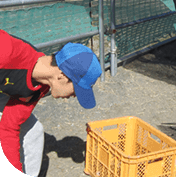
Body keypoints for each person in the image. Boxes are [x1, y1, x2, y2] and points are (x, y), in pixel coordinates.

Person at [0, 30, 102, 176]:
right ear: (62, 75)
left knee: (33, 133)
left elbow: (9, 127)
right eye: (76, 90)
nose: (74, 96)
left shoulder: (40, 87)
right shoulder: (6, 51)